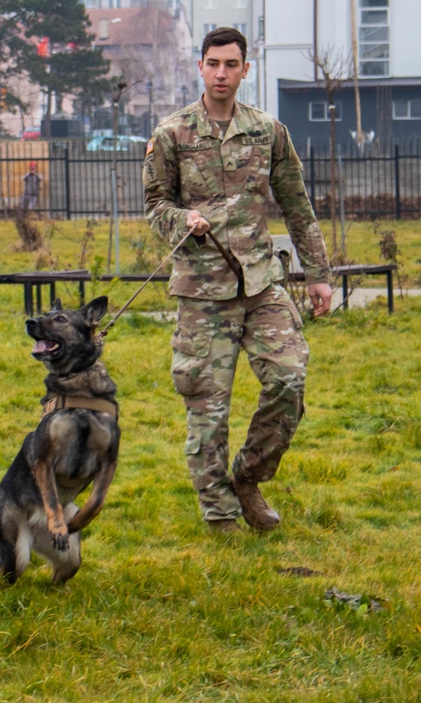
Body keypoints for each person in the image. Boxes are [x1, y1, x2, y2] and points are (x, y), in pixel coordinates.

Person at [142, 27, 332, 535]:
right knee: (208, 408)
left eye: (231, 64)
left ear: (246, 70)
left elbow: (297, 204)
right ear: (200, 67)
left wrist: (319, 276)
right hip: (203, 292)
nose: (222, 72)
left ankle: (248, 476)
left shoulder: (268, 131)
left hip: (260, 284)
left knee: (289, 379)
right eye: (213, 63)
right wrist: (182, 220)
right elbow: (155, 207)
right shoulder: (172, 133)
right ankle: (220, 512)